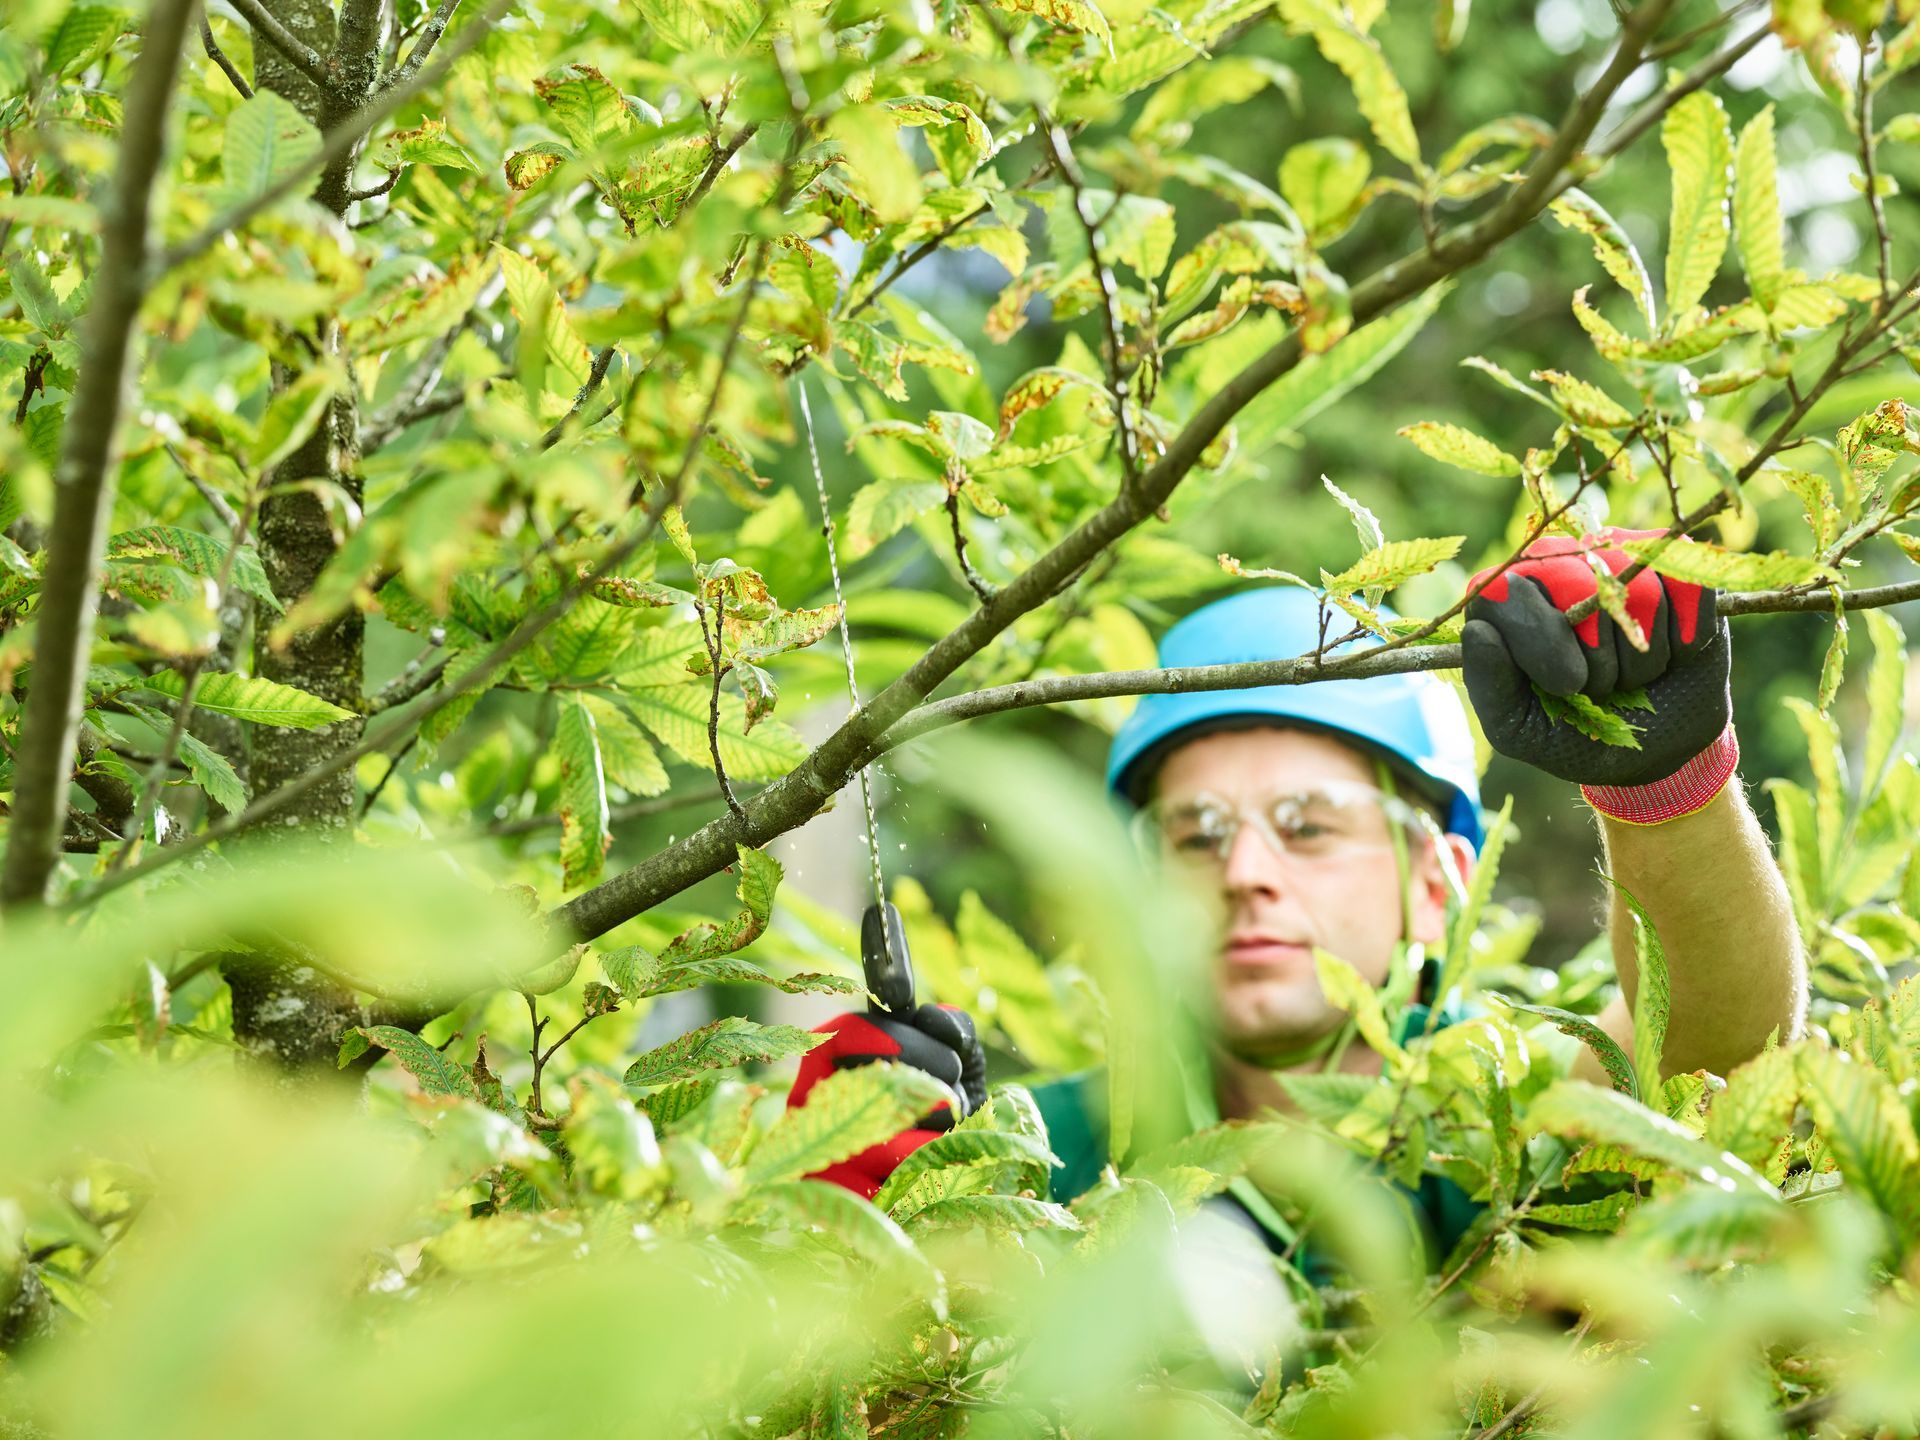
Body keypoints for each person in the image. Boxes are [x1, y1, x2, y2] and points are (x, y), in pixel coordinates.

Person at [784, 528, 1807, 1262]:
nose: (1244, 872)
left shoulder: (1509, 1119)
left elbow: (1715, 1057)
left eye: (1309, 825)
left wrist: (1660, 785)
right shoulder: (1029, 1163)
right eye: (1196, 836)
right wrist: (845, 1218)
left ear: (1440, 882)